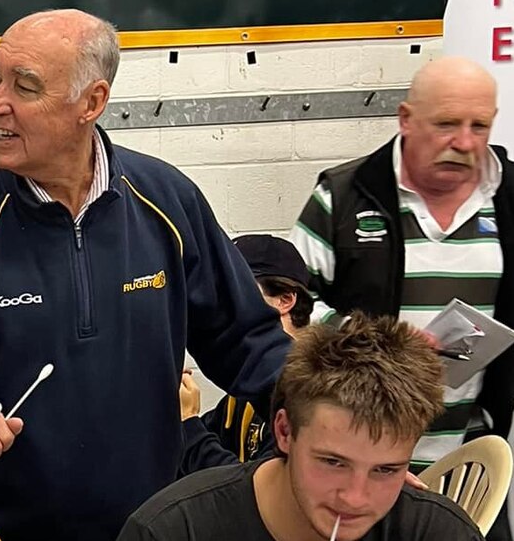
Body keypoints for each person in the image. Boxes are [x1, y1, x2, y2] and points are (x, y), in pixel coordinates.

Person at [0, 9, 290, 541]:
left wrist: (334, 420)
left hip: (151, 528)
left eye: (24, 86)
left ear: (91, 103)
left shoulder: (166, 203)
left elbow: (249, 341)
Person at [289, 57, 513, 473]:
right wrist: (376, 341)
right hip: (358, 454)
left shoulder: (509, 195)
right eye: (446, 124)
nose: (463, 142)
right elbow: (289, 307)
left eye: (478, 126)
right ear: (406, 119)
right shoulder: (343, 196)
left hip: (472, 457)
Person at [118, 314, 485, 541]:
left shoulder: (437, 532)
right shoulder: (174, 530)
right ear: (283, 432)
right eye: (332, 462)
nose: (355, 498)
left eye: (386, 470)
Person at [180, 234, 312, 475]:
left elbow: (248, 492)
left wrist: (188, 423)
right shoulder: (244, 392)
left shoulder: (310, 392)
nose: (228, 302)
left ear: (286, 299)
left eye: (242, 290)